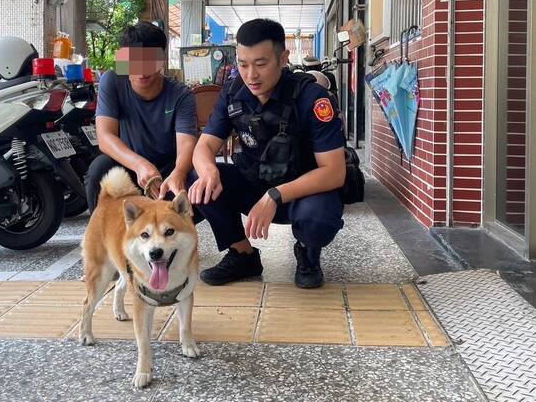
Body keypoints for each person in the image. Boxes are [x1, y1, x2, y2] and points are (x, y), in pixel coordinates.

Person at [189, 19, 346, 289]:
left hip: (301, 192)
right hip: (252, 182)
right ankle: (242, 254)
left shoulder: (312, 97)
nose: (251, 75)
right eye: (243, 64)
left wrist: (275, 195)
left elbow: (334, 171)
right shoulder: (233, 92)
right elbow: (203, 147)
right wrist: (209, 170)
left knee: (318, 216)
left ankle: (308, 254)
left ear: (283, 58)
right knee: (200, 179)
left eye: (261, 64)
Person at [84, 21, 198, 210]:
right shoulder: (112, 81)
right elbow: (105, 137)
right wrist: (139, 164)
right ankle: (102, 233)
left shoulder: (181, 94)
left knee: (197, 180)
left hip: (168, 169)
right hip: (129, 164)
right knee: (100, 169)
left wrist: (179, 172)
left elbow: (186, 143)